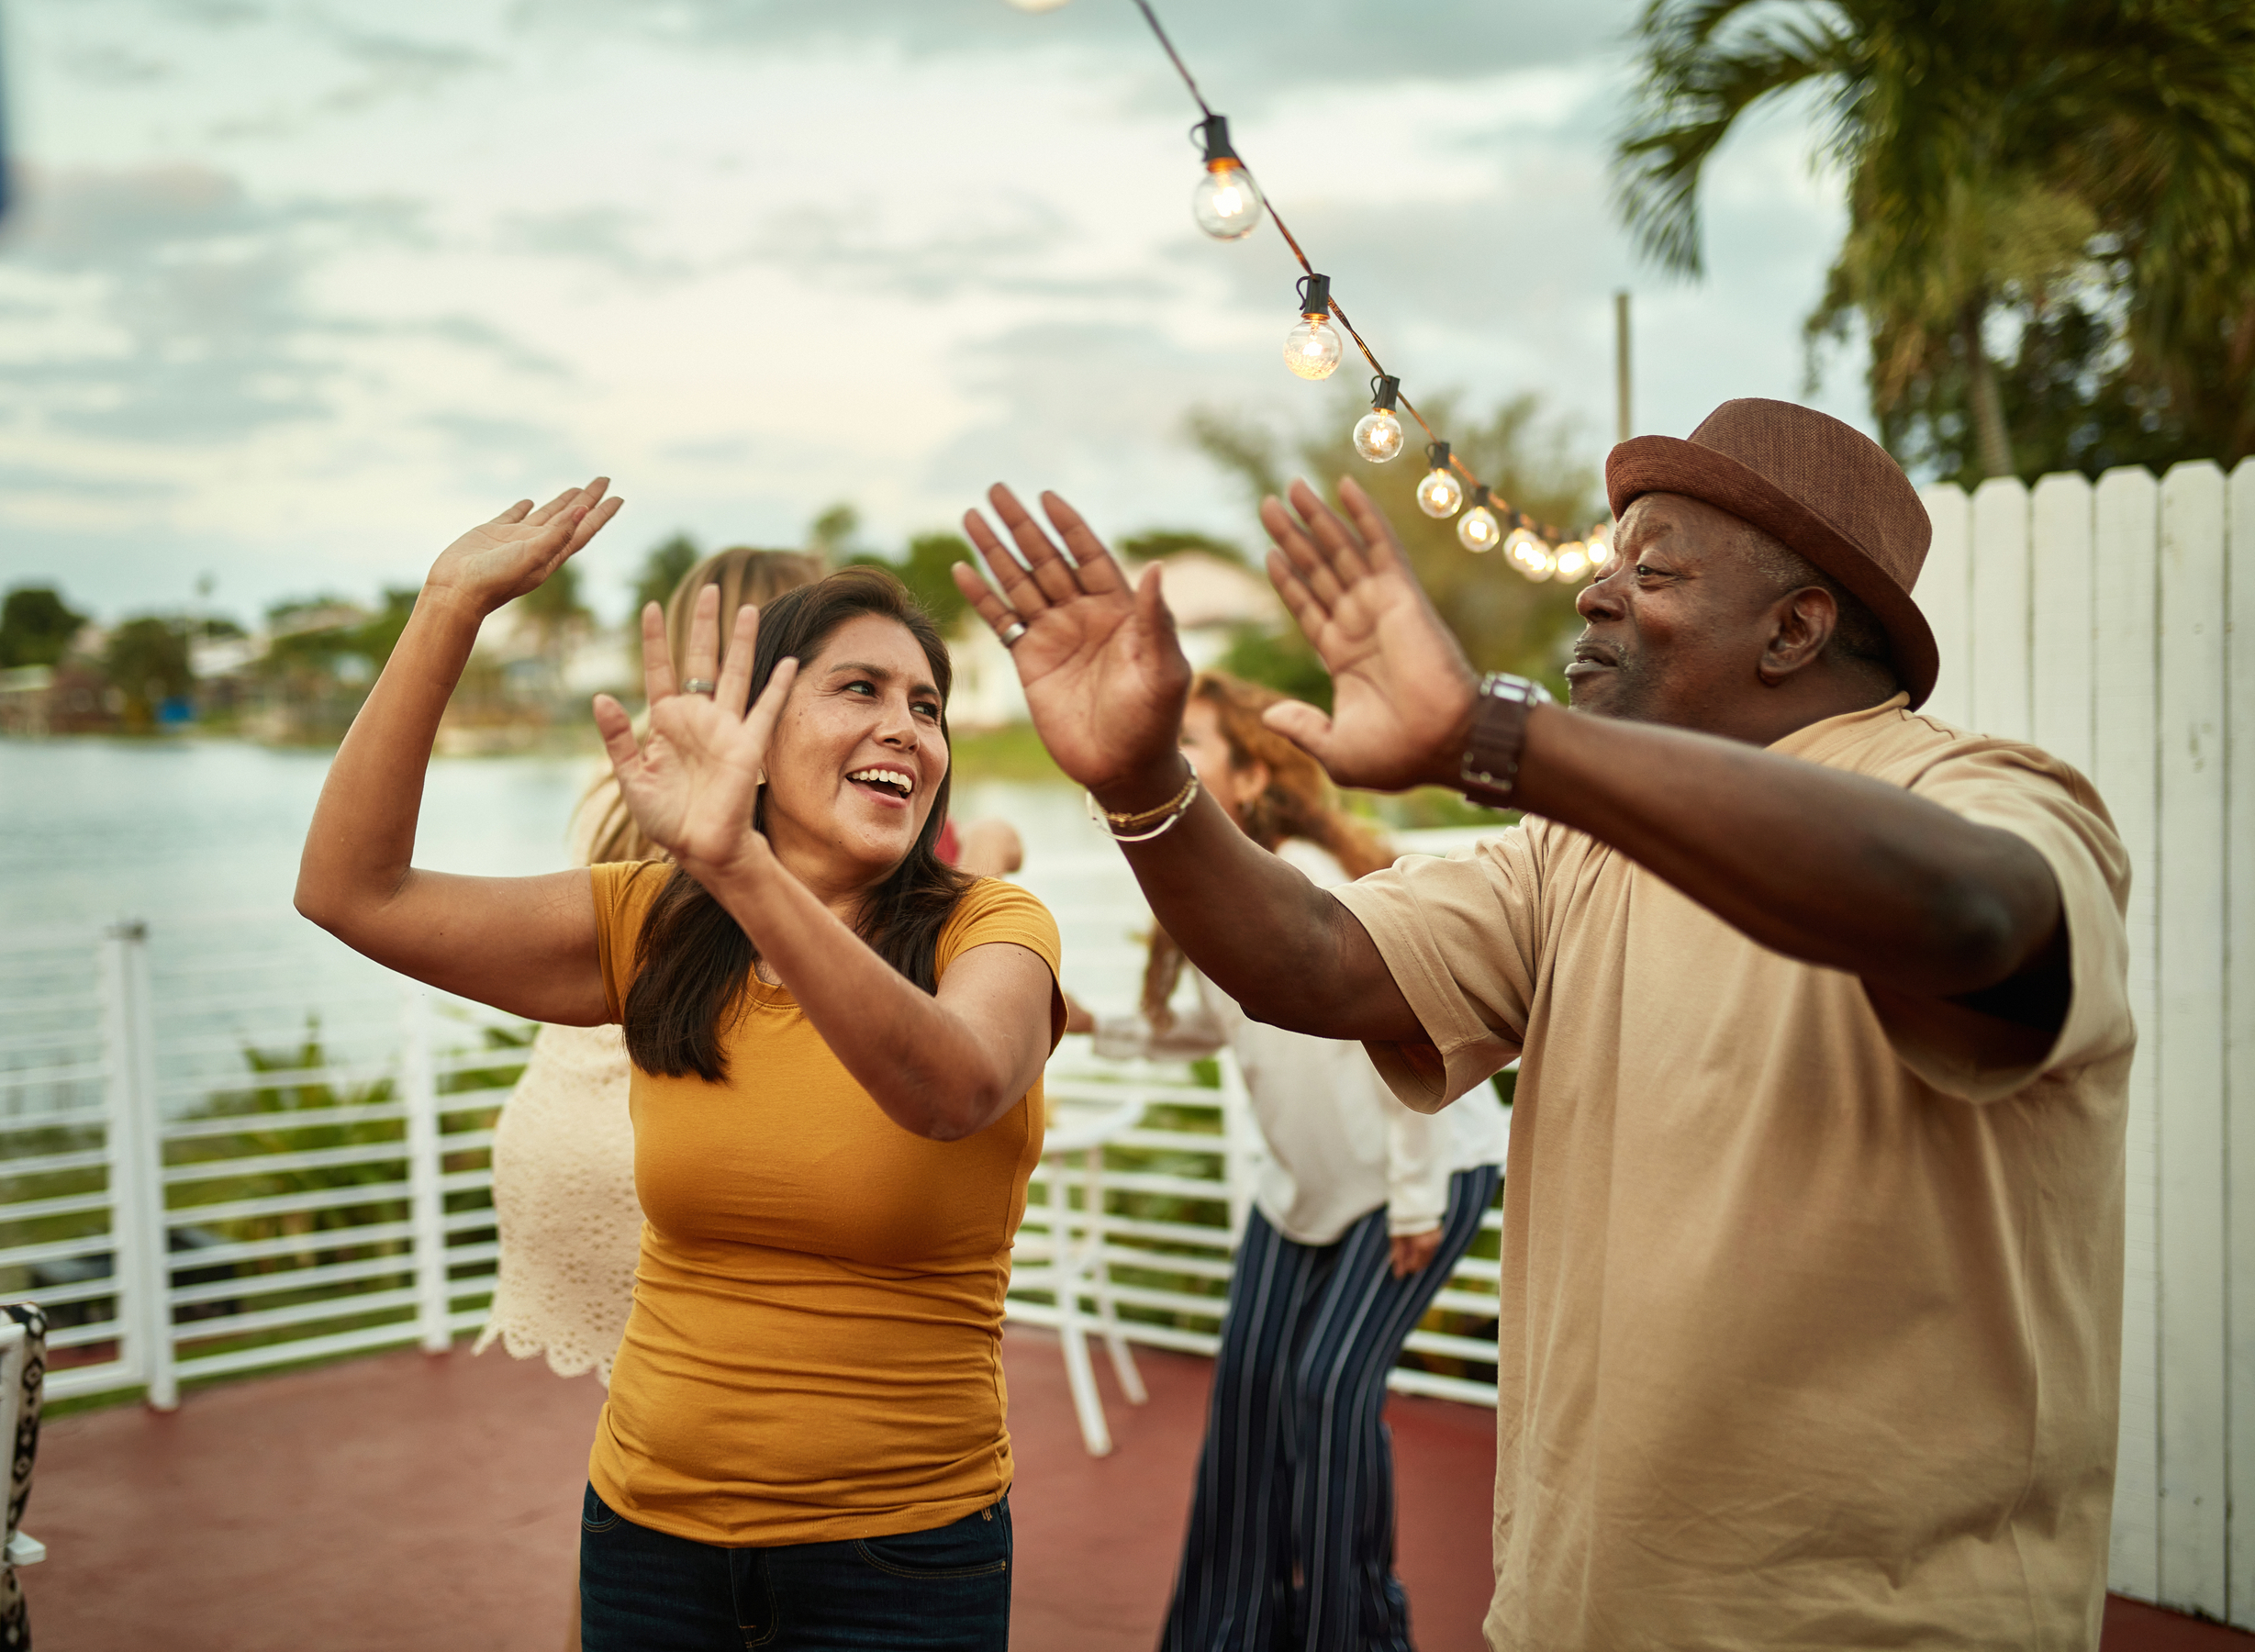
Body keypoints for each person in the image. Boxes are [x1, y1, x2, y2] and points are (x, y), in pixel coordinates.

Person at [949, 399, 2133, 1649]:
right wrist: (1143, 784)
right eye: (1611, 562)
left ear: (1795, 628)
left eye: (1653, 571)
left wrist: (1497, 737)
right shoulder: (1572, 850)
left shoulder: (1984, 791)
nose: (1595, 594)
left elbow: (1965, 912)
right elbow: (1312, 961)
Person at [296, 479, 1066, 1651]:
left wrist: (740, 868)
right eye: (860, 689)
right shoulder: (658, 924)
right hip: (647, 1534)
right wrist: (448, 606)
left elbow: (949, 1087)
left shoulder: (992, 926)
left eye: (927, 705)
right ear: (751, 736)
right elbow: (353, 892)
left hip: (899, 1554)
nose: (909, 728)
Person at [1069, 668, 1507, 1651]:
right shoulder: (1204, 886)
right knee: (1248, 1398)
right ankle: (1228, 1632)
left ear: (1252, 773)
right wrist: (1102, 1026)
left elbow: (1407, 1029)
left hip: (1421, 1170)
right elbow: (1211, 1024)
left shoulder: (1309, 873)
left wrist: (1413, 1199)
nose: (1163, 753)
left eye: (1188, 740)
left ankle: (1353, 1633)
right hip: (1301, 1191)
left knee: (1326, 1389)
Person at [476, 546, 822, 1398]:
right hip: (666, 1154)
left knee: (657, 1423)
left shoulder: (623, 769)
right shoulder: (781, 793)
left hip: (554, 1129)